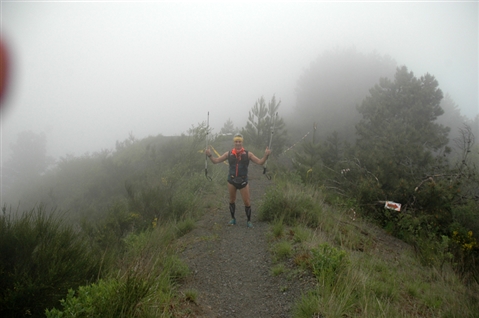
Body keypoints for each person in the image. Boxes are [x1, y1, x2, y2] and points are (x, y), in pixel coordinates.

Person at [205, 133, 271, 228]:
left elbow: (260, 162)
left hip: (243, 181)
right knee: (232, 200)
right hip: (231, 181)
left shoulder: (248, 154)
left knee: (247, 202)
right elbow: (215, 161)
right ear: (234, 142)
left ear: (242, 142)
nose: (238, 143)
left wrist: (266, 155)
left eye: (239, 141)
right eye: (236, 141)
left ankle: (248, 221)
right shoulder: (228, 154)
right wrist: (210, 155)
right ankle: (233, 219)